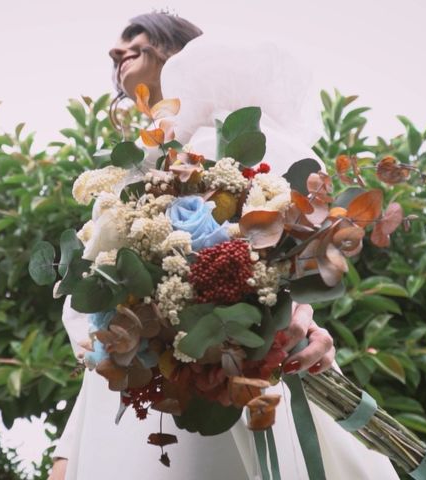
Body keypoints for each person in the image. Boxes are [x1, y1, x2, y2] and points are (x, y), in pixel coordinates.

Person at [48, 12, 399, 480]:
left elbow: (286, 262)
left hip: (233, 367)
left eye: (136, 39)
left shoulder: (229, 144)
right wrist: (68, 452)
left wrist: (296, 320)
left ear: (180, 51)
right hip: (136, 393)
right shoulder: (127, 178)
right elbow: (96, 332)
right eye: (115, 46)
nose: (117, 50)